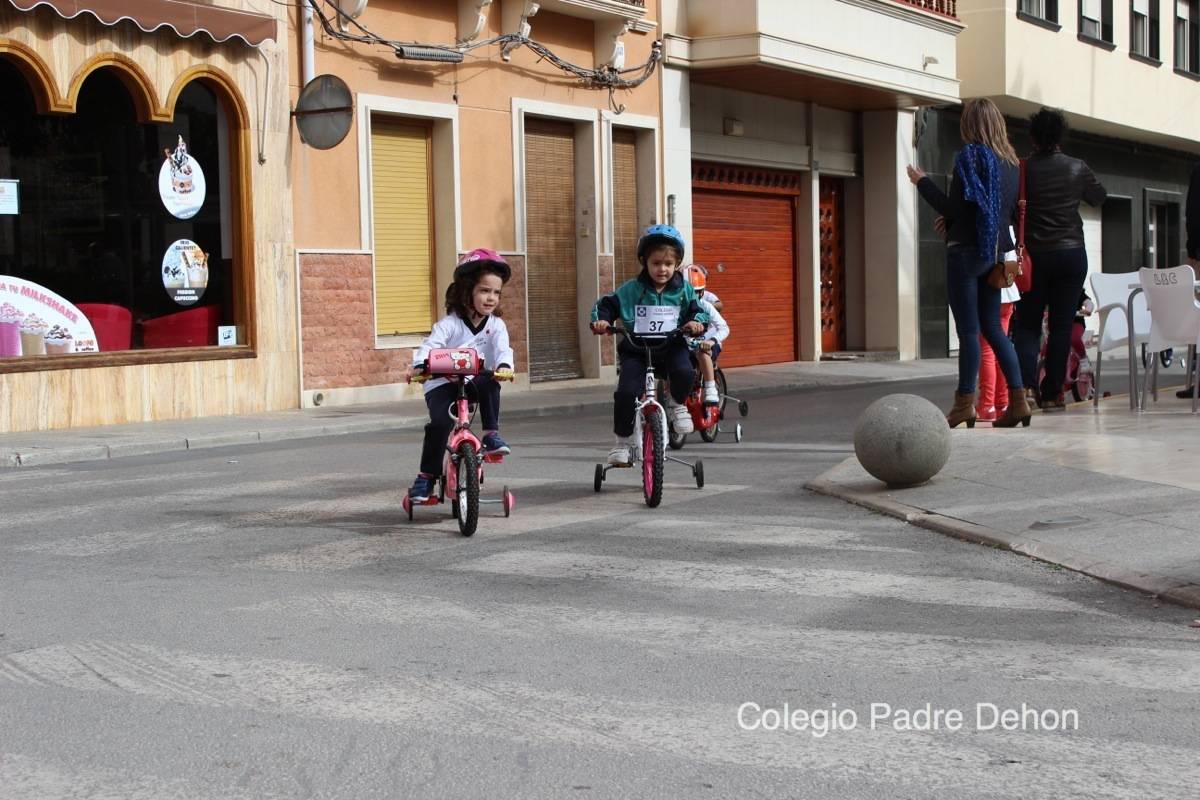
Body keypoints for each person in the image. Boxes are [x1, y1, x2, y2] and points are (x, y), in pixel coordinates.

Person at [907, 97, 1030, 429]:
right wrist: (955, 220)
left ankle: (965, 404)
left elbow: (957, 208)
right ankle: (1018, 401)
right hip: (996, 255)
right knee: (994, 329)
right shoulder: (1011, 164)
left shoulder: (970, 157)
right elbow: (992, 211)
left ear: (970, 125)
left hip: (966, 254)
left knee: (969, 332)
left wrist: (922, 182)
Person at [1010, 107, 1106, 412]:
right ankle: (1053, 393)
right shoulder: (1077, 167)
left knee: (1027, 325)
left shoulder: (1022, 169)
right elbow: (1099, 197)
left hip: (1035, 259)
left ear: (1033, 136)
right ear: (1060, 136)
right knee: (1062, 326)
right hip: (1071, 254)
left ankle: (1025, 389)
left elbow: (1012, 211)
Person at [590, 225, 707, 466]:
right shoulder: (632, 289)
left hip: (671, 346)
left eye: (668, 264)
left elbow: (698, 312)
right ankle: (622, 443)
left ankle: (677, 406)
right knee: (626, 393)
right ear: (645, 262)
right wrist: (601, 320)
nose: (662, 269)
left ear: (676, 264)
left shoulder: (683, 290)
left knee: (685, 371)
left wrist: (696, 322)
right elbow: (606, 305)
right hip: (637, 350)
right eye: (656, 263)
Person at [406, 249, 514, 502]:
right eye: (484, 291)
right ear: (467, 292)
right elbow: (431, 345)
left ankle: (490, 435)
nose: (491, 298)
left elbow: (502, 348)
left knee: (489, 382)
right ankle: (426, 478)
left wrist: (505, 365)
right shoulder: (449, 324)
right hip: (442, 384)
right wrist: (420, 365)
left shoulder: (496, 326)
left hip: (472, 382)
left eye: (496, 292)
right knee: (440, 425)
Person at [684, 264, 730, 404]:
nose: (693, 298)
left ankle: (711, 388)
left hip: (706, 341)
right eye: (688, 293)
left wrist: (712, 341)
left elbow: (724, 327)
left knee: (702, 351)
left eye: (697, 293)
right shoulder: (674, 307)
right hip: (685, 345)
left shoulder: (707, 304)